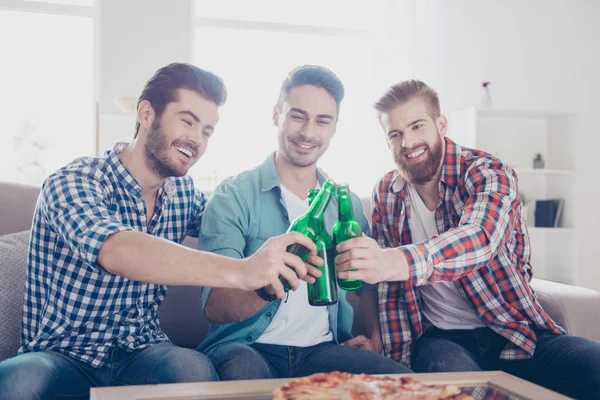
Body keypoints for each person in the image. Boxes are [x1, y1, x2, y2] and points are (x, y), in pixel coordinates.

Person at [0, 62, 320, 399]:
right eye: (187, 121)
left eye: (207, 131)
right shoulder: (73, 181)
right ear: (146, 113)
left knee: (191, 368)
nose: (197, 139)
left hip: (143, 353)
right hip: (63, 356)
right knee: (18, 381)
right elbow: (116, 250)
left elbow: (236, 220)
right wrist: (241, 271)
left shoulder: (184, 196)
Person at [335, 79, 600, 399]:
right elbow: (388, 289)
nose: (408, 142)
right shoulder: (386, 193)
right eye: (395, 134)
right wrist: (377, 338)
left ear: (441, 124)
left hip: (514, 331)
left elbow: (480, 238)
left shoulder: (488, 171)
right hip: (441, 340)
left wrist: (392, 261)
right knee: (463, 392)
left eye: (417, 126)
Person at [196, 65, 411, 380]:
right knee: (250, 381)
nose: (308, 133)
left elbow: (368, 284)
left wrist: (375, 336)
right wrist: (267, 287)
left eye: (322, 121)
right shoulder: (234, 196)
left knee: (404, 384)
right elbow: (214, 306)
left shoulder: (345, 203)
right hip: (245, 346)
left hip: (323, 349)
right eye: (297, 116)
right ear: (276, 115)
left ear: (334, 127)